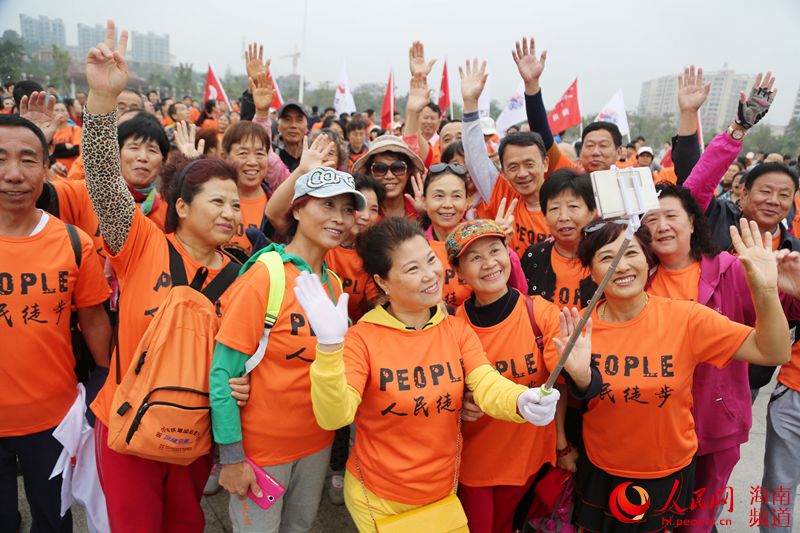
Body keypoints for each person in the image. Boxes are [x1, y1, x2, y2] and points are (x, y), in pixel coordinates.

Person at [295, 216, 564, 532]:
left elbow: (487, 383)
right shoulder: (362, 338)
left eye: (430, 260)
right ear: (383, 282)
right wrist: (329, 348)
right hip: (381, 497)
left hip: (443, 491)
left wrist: (521, 400)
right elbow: (334, 416)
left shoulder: (455, 328)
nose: (430, 275)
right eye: (412, 269)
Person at [80, 21, 246, 532]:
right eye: (217, 202)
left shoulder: (242, 275)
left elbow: (242, 354)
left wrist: (242, 383)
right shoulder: (141, 244)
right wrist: (101, 101)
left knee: (185, 524)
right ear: (182, 207)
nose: (230, 213)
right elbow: (102, 179)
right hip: (127, 430)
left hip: (194, 435)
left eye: (235, 204)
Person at [572, 218, 790, 532]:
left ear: (648, 261)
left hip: (668, 472)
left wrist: (765, 290)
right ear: (591, 271)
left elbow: (774, 352)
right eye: (607, 257)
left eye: (631, 253)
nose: (622, 265)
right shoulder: (578, 328)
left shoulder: (686, 318)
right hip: (601, 470)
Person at [210, 165, 366, 532]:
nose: (339, 218)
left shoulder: (332, 283)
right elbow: (223, 373)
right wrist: (231, 458)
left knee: (299, 527)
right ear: (297, 209)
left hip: (316, 446)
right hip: (262, 451)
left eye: (347, 209)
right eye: (327, 205)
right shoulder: (267, 275)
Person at [448, 219, 601, 533]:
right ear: (459, 272)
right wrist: (458, 402)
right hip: (475, 460)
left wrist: (578, 370)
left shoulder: (539, 313)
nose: (489, 263)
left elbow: (562, 379)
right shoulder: (453, 326)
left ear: (508, 254)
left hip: (527, 458)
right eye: (475, 258)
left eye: (495, 251)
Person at [0, 114, 111, 533]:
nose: (13, 174)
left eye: (28, 160)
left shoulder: (74, 242)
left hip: (53, 422)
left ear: (47, 168)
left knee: (53, 520)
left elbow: (93, 317)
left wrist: (103, 379)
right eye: (0, 159)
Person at [460, 58, 561, 257]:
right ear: (503, 170)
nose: (522, 173)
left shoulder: (564, 205)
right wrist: (470, 103)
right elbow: (475, 156)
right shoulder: (502, 195)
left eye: (529, 164)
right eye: (513, 167)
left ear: (545, 163)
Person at [521, 168, 597, 307]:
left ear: (592, 212)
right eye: (554, 208)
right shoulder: (534, 256)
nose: (563, 217)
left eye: (573, 206)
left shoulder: (606, 256)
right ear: (545, 216)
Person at [351, 135, 425, 219]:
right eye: (379, 169)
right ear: (369, 174)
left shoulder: (422, 208)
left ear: (408, 172)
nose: (389, 176)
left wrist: (425, 214)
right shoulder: (357, 211)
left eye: (398, 168)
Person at [274, 101, 309, 172]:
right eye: (287, 119)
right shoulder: (272, 152)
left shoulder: (312, 152)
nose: (293, 125)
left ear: (306, 126)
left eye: (299, 120)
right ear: (278, 126)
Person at [52, 101, 81, 171]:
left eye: (62, 110)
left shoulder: (75, 129)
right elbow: (45, 151)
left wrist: (54, 152)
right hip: (54, 171)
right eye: (56, 110)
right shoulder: (49, 132)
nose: (59, 112)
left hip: (73, 172)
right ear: (51, 114)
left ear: (68, 114)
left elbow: (76, 150)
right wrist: (63, 146)